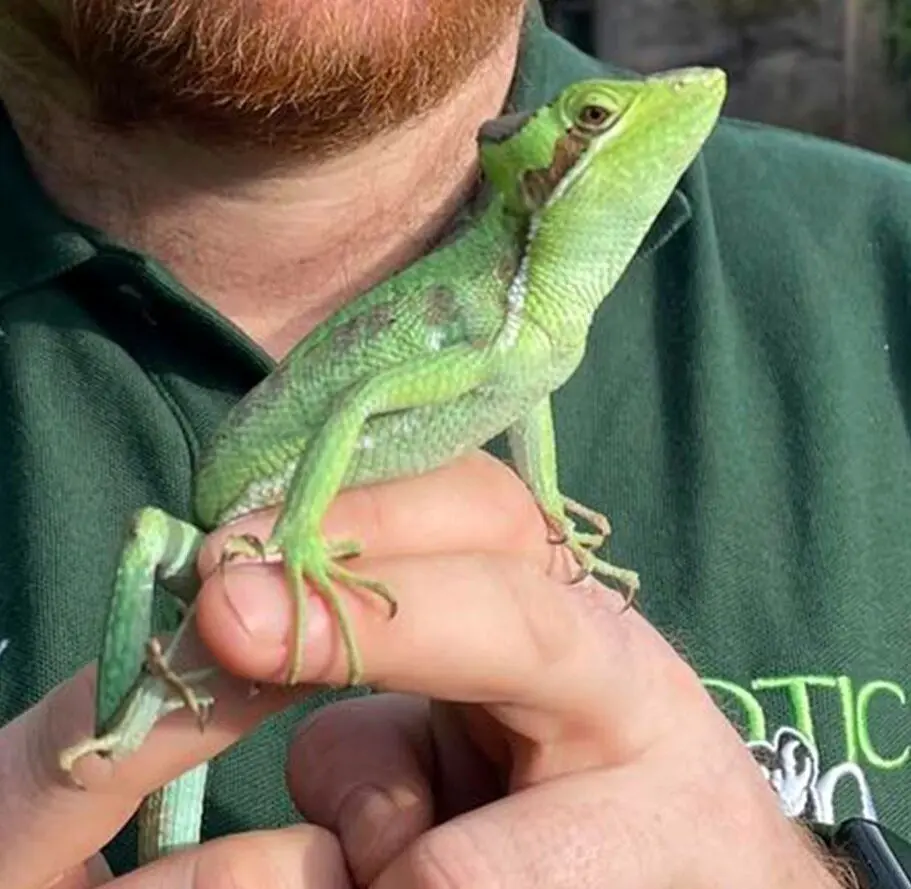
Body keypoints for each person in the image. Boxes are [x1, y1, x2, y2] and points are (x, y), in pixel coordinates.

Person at [0, 0, 907, 885]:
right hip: (252, 506)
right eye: (593, 122)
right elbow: (361, 408)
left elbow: (526, 389)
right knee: (151, 770)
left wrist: (813, 873)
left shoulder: (876, 254)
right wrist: (304, 537)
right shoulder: (493, 309)